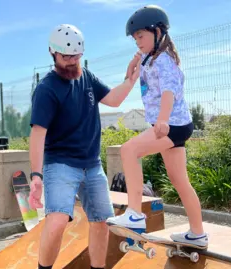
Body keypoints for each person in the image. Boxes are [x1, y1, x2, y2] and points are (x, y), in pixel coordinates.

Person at [28, 24, 140, 269]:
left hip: (92, 165)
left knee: (102, 221)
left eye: (76, 56)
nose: (71, 62)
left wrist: (130, 80)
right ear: (52, 53)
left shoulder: (87, 76)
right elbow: (37, 135)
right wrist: (36, 175)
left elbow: (113, 98)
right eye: (66, 57)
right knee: (57, 221)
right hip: (60, 164)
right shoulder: (46, 89)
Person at [106, 5, 208, 247]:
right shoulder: (148, 56)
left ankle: (135, 214)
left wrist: (162, 119)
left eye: (141, 36)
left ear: (158, 31)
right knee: (179, 179)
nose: (137, 42)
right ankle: (198, 233)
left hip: (171, 123)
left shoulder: (165, 60)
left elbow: (168, 93)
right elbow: (137, 61)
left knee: (129, 150)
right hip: (175, 125)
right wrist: (132, 63)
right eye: (134, 39)